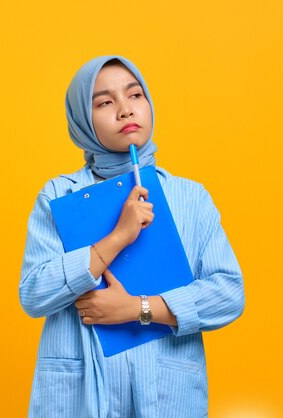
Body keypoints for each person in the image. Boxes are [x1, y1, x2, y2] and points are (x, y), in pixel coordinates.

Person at [19, 55, 245, 418]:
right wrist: (117, 238)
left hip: (167, 392)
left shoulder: (191, 197)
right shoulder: (59, 196)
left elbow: (228, 293)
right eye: (105, 102)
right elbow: (34, 294)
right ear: (82, 121)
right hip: (79, 396)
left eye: (135, 95)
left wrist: (137, 309)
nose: (125, 111)